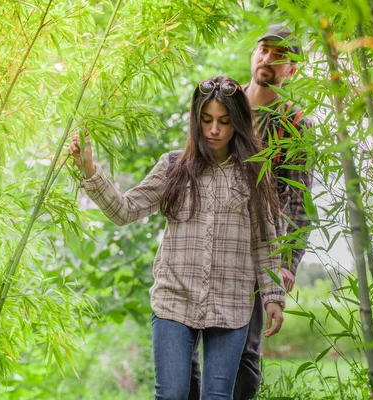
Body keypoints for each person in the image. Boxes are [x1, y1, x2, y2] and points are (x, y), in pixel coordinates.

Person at [69, 76, 286, 400]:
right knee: (171, 395)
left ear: (237, 124)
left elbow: (265, 242)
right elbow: (125, 210)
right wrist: (90, 172)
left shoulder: (253, 173)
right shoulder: (173, 166)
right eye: (207, 120)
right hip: (174, 300)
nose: (214, 130)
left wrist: (273, 297)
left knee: (217, 396)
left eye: (224, 122)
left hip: (231, 302)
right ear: (195, 121)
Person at [189, 25, 314, 400]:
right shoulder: (222, 102)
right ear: (254, 53)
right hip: (203, 235)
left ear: (292, 70)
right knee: (187, 339)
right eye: (264, 50)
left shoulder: (296, 124)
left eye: (281, 57)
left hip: (257, 247)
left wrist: (288, 260)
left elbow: (299, 197)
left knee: (245, 347)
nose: (269, 59)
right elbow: (190, 162)